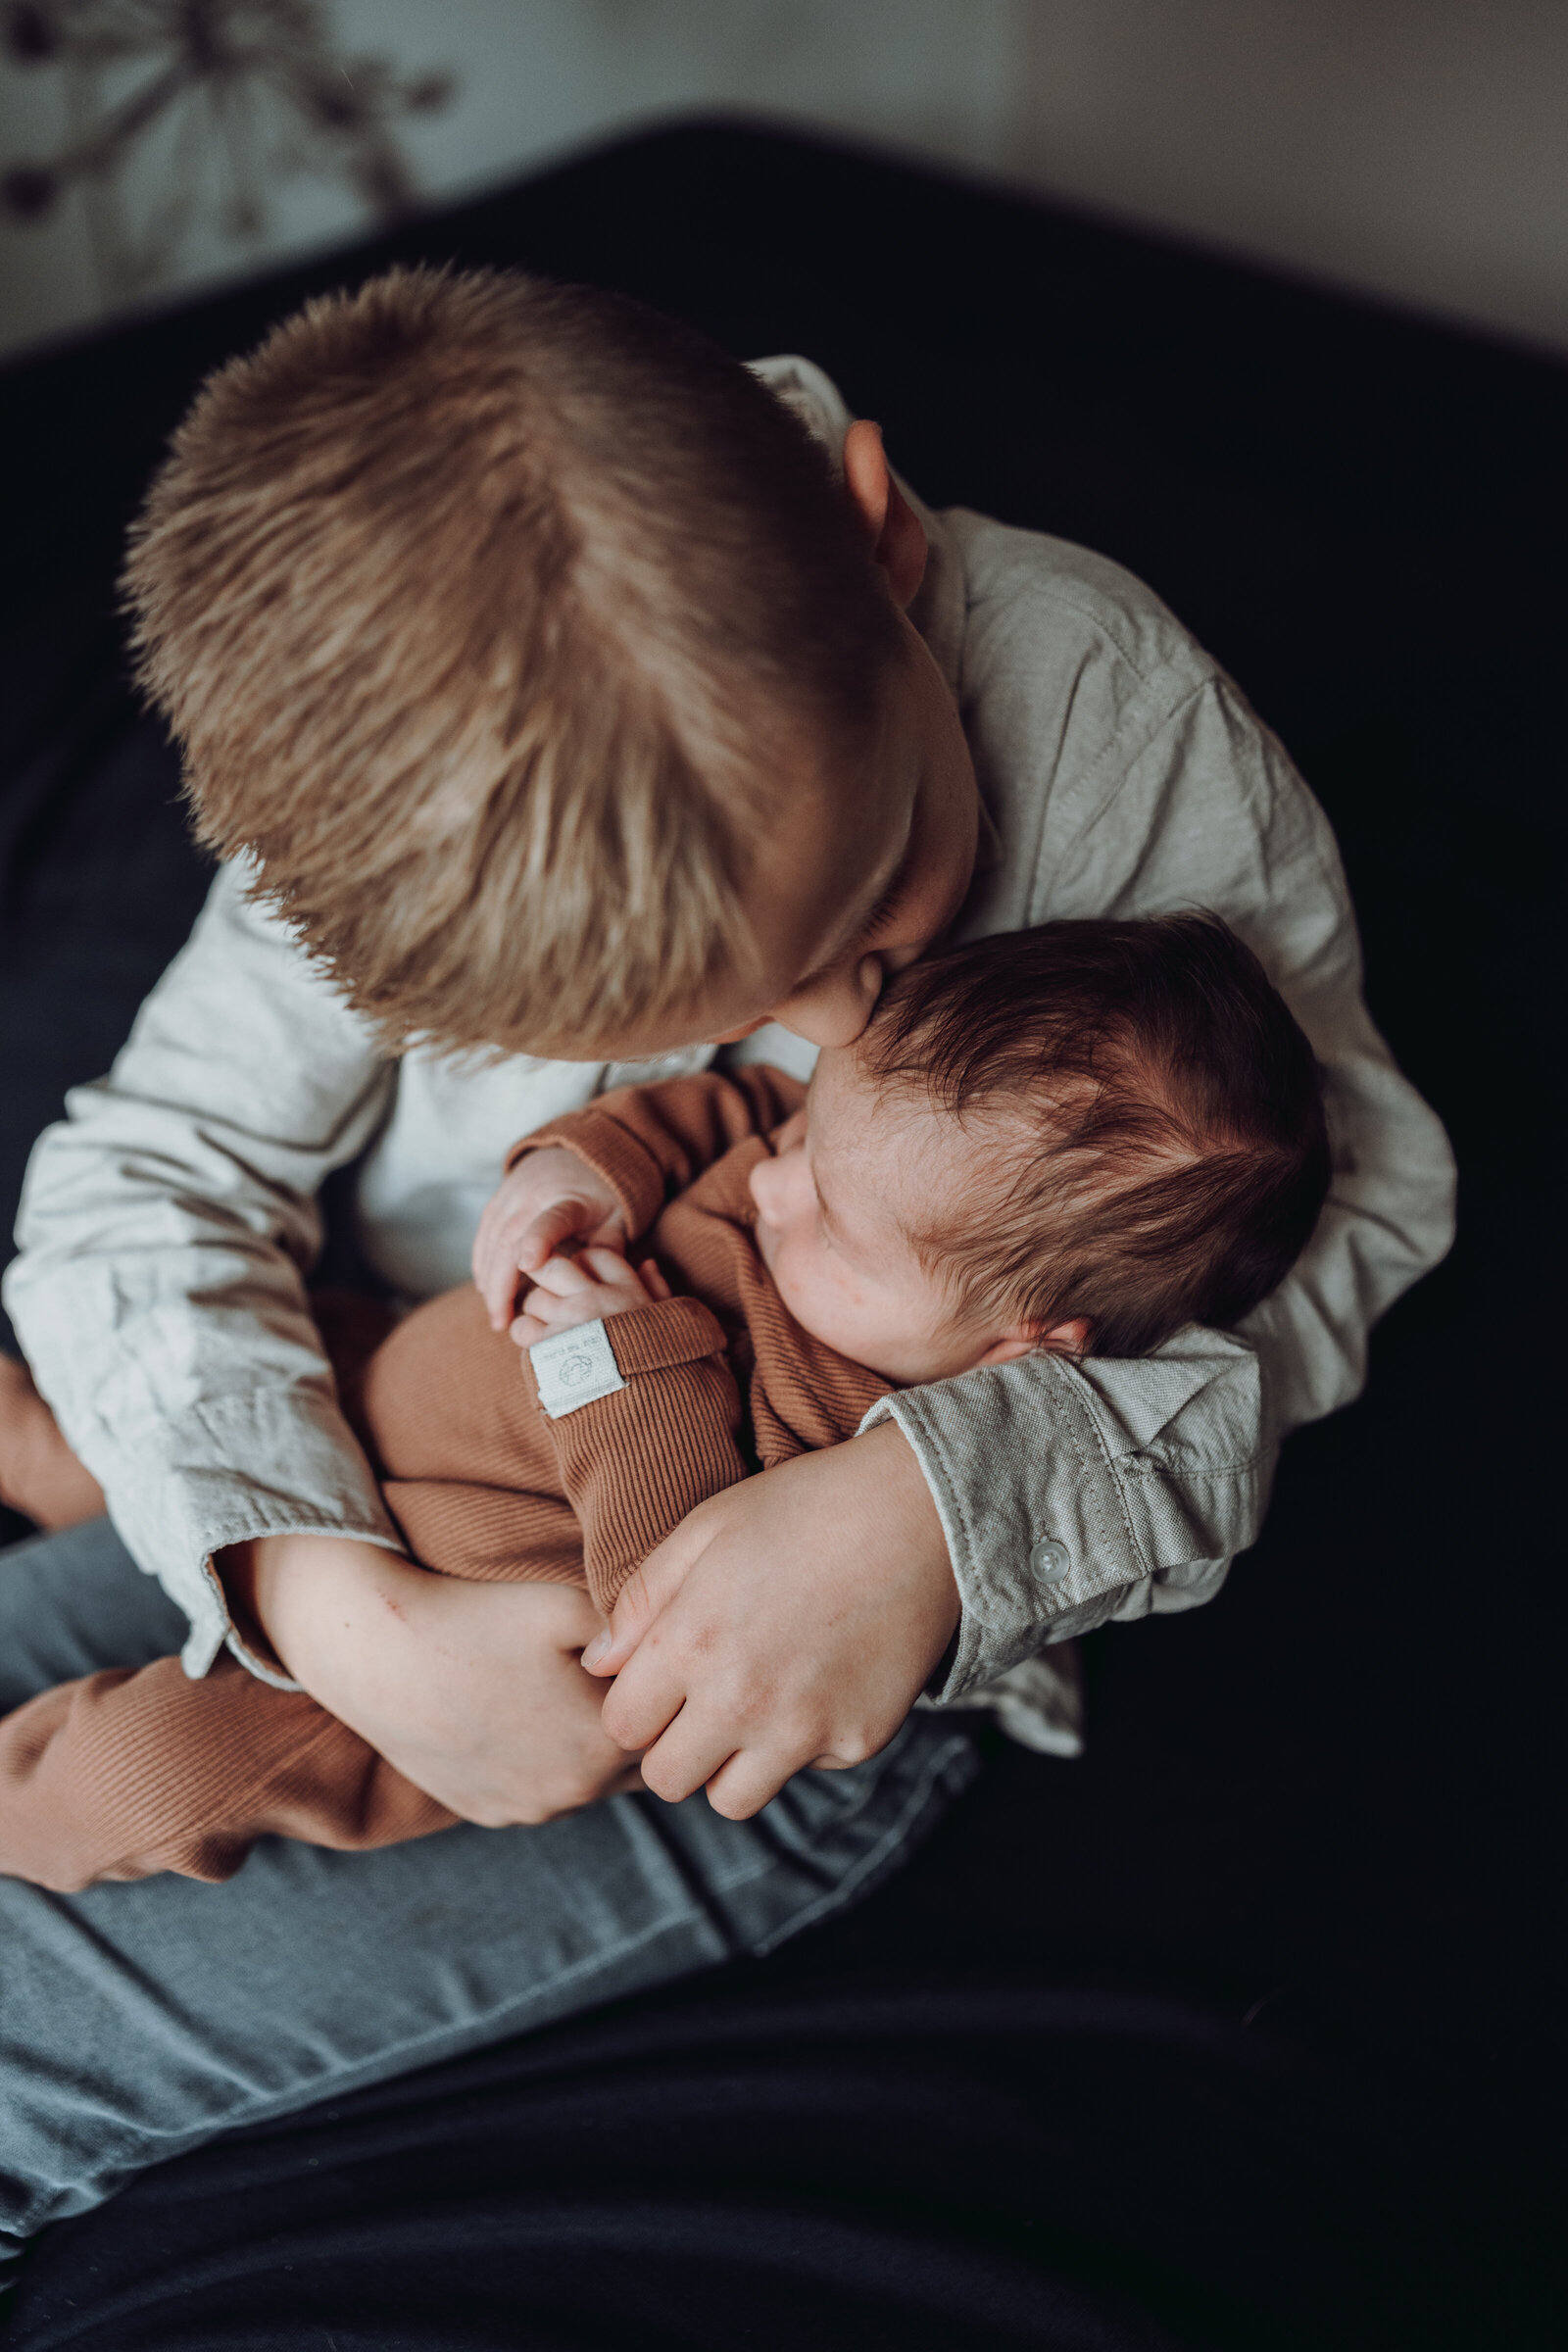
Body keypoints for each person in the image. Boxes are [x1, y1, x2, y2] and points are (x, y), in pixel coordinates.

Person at [0, 267, 1454, 2257]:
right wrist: (329, 1605)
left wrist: (927, 1516)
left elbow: (1341, 1225)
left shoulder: (1112, 732)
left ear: (878, 541)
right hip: (402, 1431)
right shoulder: (378, 797)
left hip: (755, 1672)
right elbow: (147, 1174)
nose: (827, 1029)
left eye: (876, 903)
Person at [0, 915, 1332, 1891]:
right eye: (812, 1133)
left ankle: (32, 1814)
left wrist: (632, 1361)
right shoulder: (860, 1162)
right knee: (240, 1406)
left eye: (830, 1220)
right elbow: (719, 1111)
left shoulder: (857, 1438)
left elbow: (671, 1598)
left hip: (467, 1641)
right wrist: (580, 1172)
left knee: (155, 1770)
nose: (772, 1183)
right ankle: (71, 1464)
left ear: (1014, 1352)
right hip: (386, 1393)